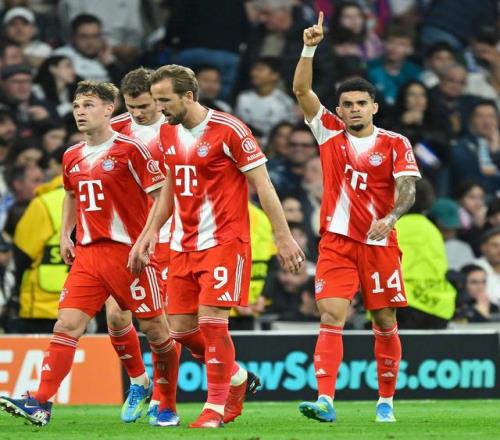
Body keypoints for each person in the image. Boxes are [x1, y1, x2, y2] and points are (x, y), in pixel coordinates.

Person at [128, 64, 304, 428]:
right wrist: (149, 233)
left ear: (188, 96)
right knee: (179, 331)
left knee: (212, 325)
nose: (159, 108)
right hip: (182, 244)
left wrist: (283, 236)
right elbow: (170, 187)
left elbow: (263, 185)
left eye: (164, 100)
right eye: (156, 100)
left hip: (225, 241)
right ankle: (236, 376)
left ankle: (215, 408)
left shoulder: (230, 129)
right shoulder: (168, 132)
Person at [0, 81, 179, 427]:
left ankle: (167, 403)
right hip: (89, 254)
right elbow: (71, 194)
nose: (80, 112)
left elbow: (162, 197)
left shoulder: (131, 150)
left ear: (109, 109)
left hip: (129, 255)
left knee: (156, 331)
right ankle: (40, 402)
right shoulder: (71, 155)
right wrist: (66, 234)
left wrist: (147, 238)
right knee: (67, 324)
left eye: (88, 105)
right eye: (77, 106)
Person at [292, 13, 420, 423]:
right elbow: (301, 89)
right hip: (337, 243)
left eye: (361, 103)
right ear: (340, 110)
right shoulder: (328, 132)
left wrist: (392, 216)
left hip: (380, 244)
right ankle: (325, 400)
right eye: (347, 104)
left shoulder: (395, 143)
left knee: (384, 321)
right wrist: (309, 47)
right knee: (331, 316)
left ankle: (385, 401)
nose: (354, 109)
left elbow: (408, 188)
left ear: (374, 107)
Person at [108, 67, 177, 426]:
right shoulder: (114, 130)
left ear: (159, 99)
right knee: (116, 315)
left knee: (158, 323)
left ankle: (164, 398)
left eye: (145, 106)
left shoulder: (178, 126)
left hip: (169, 235)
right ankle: (139, 382)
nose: (137, 113)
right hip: (123, 235)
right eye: (132, 106)